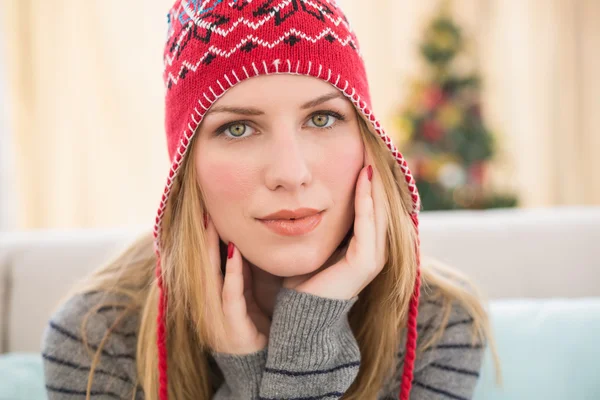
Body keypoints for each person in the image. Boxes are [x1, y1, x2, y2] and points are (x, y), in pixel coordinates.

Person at [42, 1, 500, 399]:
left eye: (322, 118)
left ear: (368, 142)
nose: (291, 173)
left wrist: (303, 337)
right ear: (185, 169)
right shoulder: (97, 335)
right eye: (238, 128)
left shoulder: (439, 328)